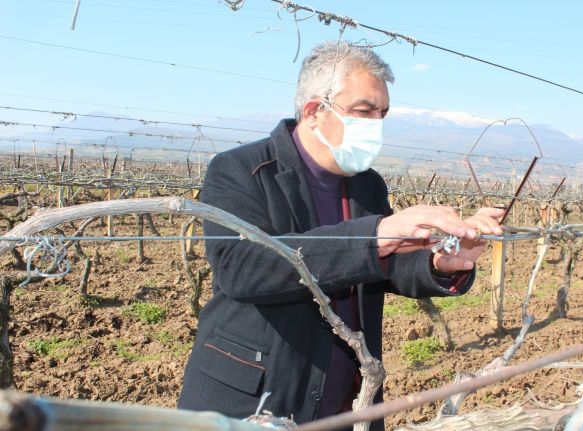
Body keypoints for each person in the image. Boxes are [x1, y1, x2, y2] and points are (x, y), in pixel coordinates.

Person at [178, 41, 503, 429]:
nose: (376, 124)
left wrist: (439, 265)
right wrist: (377, 234)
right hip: (256, 398)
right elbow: (243, 271)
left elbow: (382, 265)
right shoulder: (242, 171)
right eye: (365, 111)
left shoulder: (367, 186)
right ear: (315, 111)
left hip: (347, 397)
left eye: (383, 113)